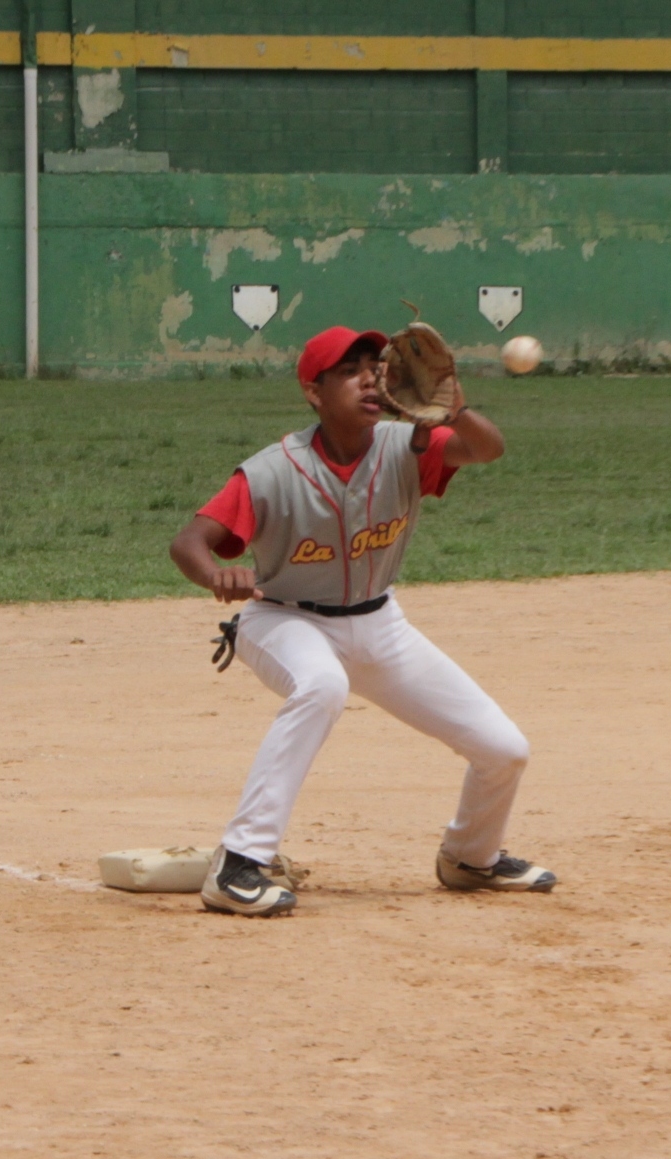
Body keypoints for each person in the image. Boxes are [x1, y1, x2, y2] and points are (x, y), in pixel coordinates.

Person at [169, 325, 556, 917]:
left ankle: (470, 859)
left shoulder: (407, 444)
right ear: (313, 392)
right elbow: (190, 541)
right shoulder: (274, 469)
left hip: (381, 625)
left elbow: (486, 449)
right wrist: (214, 574)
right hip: (284, 621)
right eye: (349, 371)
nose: (369, 378)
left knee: (505, 748)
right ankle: (239, 863)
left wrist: (457, 407)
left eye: (374, 367)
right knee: (323, 686)